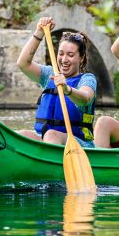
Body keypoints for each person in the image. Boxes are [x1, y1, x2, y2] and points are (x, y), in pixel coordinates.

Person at [17, 16, 96, 147]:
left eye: (70, 55)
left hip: (79, 145)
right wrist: (39, 32)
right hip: (48, 141)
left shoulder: (87, 79)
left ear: (81, 58)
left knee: (51, 134)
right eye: (61, 53)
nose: (64, 59)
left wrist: (67, 89)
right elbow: (23, 64)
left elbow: (85, 98)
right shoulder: (50, 75)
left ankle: (50, 163)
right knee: (23, 135)